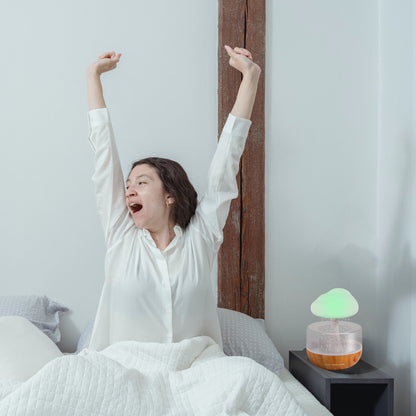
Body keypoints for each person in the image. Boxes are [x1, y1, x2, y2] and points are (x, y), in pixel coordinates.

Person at [86, 46, 261, 351]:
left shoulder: (201, 238)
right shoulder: (121, 236)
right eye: (128, 185)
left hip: (195, 373)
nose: (129, 190)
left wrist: (251, 78)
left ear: (169, 196)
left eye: (142, 182)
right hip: (127, 375)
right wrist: (92, 77)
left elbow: (226, 164)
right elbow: (104, 158)